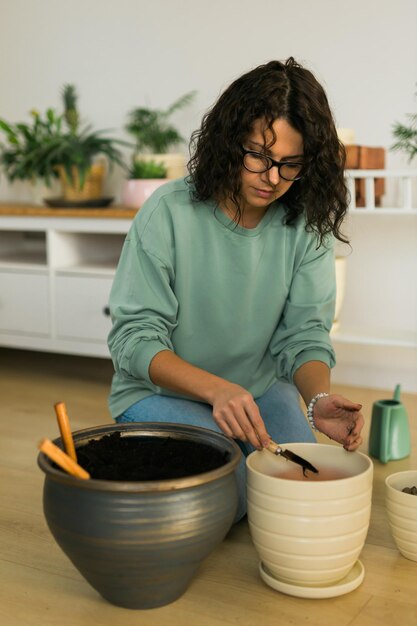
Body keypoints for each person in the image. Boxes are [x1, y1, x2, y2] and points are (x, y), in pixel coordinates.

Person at [107, 57, 364, 521]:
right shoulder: (166, 212)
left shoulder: (305, 224)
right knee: (239, 498)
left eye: (290, 165)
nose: (272, 178)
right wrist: (217, 390)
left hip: (259, 391)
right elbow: (134, 340)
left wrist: (318, 400)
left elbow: (304, 333)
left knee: (299, 488)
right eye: (259, 156)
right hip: (161, 394)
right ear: (228, 143)